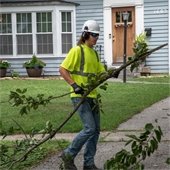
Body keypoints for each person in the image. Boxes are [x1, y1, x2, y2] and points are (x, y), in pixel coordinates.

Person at [59, 20, 105, 170]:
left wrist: (112, 72)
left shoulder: (95, 53)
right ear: (85, 34)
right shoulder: (77, 50)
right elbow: (63, 69)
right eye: (93, 35)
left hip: (93, 96)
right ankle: (68, 154)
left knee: (96, 131)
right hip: (79, 96)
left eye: (97, 35)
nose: (96, 38)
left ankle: (89, 163)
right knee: (89, 128)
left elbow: (101, 73)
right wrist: (74, 85)